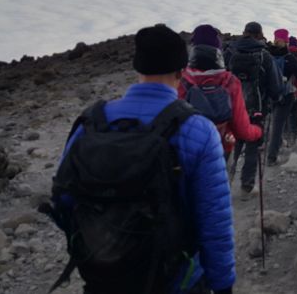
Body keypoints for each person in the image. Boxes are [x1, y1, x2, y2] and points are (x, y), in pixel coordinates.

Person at [48, 25, 234, 294]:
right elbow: (214, 222)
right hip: (175, 279)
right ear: (182, 71)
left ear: (137, 67)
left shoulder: (91, 122)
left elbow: (63, 200)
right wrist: (223, 284)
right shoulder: (198, 129)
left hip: (103, 277)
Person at [178, 24, 262, 163]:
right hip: (220, 147)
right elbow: (242, 130)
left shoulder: (180, 79)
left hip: (185, 151)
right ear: (218, 50)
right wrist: (258, 130)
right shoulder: (230, 82)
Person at [224, 21, 283, 200]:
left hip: (231, 109)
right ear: (260, 34)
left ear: (244, 32)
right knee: (252, 147)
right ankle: (246, 186)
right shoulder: (264, 56)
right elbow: (274, 86)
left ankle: (224, 182)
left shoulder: (229, 52)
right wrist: (276, 97)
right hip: (255, 110)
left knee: (230, 144)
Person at [266, 28, 297, 165]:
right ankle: (272, 157)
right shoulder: (289, 57)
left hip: (272, 94)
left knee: (276, 122)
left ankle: (279, 146)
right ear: (286, 40)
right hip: (287, 94)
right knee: (279, 124)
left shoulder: (268, 55)